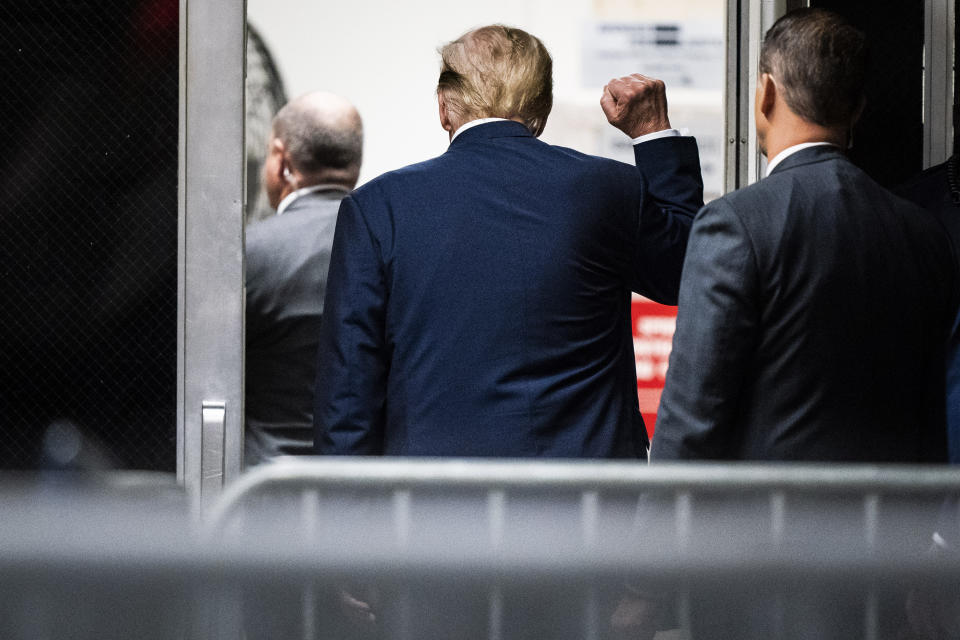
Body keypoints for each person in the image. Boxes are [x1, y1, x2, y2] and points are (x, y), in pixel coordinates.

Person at [650, 9, 958, 639]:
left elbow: (692, 421)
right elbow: (928, 418)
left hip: (757, 568)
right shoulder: (921, 233)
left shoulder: (737, 223)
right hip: (880, 564)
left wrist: (645, 574)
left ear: (764, 92)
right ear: (859, 108)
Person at [314, 24, 704, 460]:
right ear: (544, 107)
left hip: (434, 506)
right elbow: (687, 270)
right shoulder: (608, 189)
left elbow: (348, 397)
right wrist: (652, 132)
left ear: (444, 107)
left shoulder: (377, 208)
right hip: (590, 506)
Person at [244, 91, 363, 466]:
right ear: (353, 167)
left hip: (264, 491)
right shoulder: (392, 248)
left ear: (281, 160)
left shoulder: (250, 252)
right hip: (362, 492)